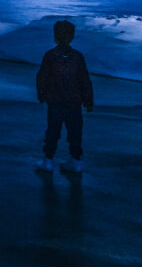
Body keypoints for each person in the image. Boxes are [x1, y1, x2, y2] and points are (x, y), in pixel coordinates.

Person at [35, 20, 94, 174]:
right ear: (72, 37)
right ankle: (76, 161)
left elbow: (42, 77)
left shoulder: (50, 55)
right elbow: (84, 80)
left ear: (55, 36)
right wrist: (88, 100)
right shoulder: (77, 57)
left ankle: (48, 160)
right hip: (74, 102)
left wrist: (41, 93)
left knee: (53, 131)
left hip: (55, 101)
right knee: (75, 132)